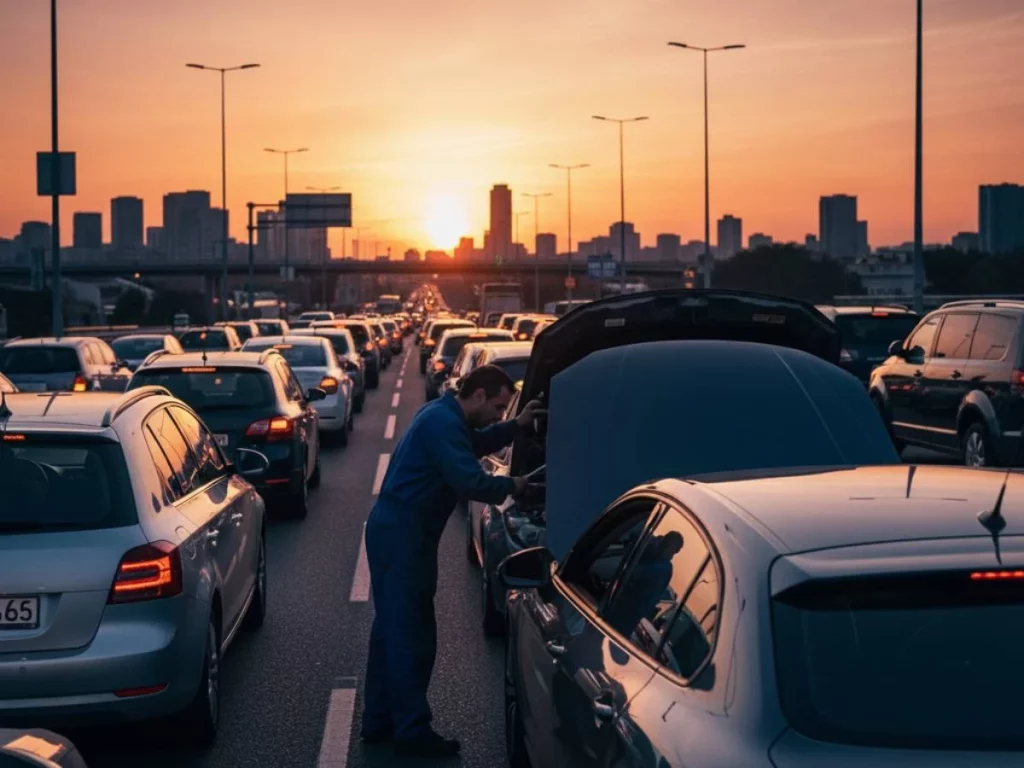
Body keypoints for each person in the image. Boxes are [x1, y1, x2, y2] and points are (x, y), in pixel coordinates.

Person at [360, 364, 545, 757]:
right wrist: (516, 485)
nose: (499, 414)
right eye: (497, 406)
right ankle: (412, 730)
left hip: (400, 531)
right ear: (477, 395)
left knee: (390, 631)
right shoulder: (443, 424)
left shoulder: (441, 414)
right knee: (412, 633)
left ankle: (378, 721)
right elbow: (470, 481)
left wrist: (517, 426)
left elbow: (474, 441)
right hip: (403, 536)